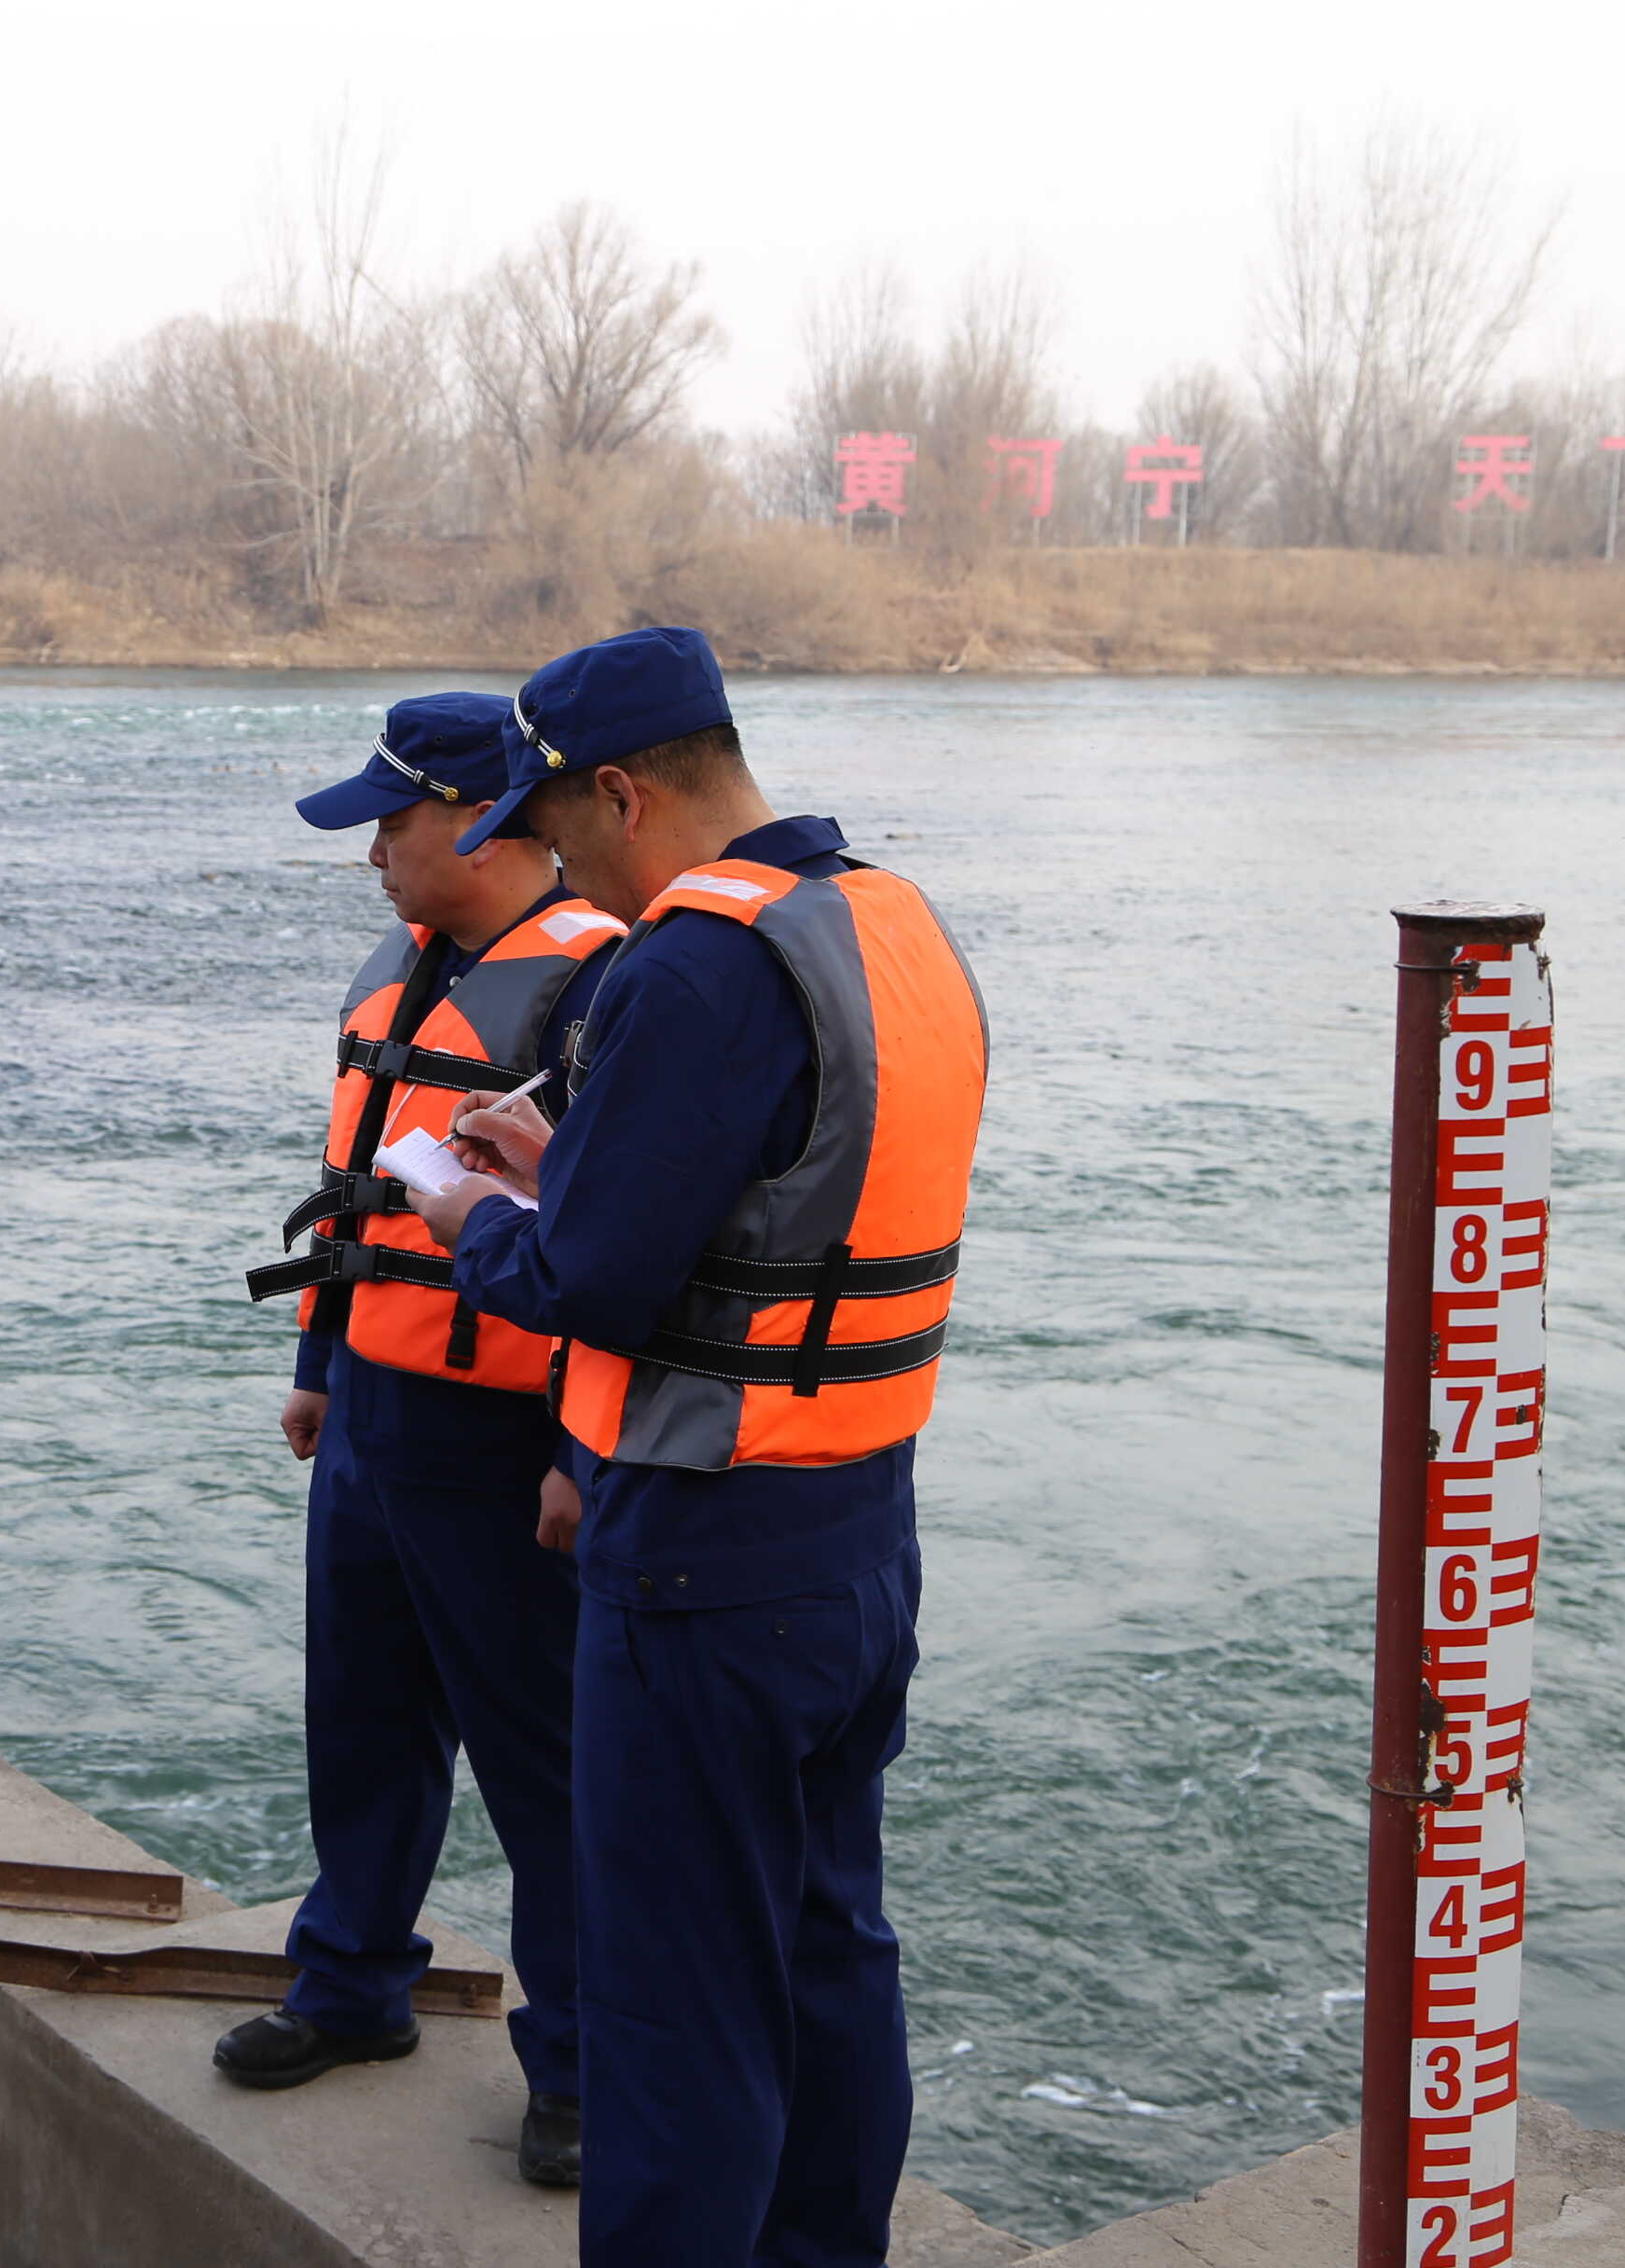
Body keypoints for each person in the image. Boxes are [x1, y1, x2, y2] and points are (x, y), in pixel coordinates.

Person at [406, 629, 988, 2267]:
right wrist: (575, 1159)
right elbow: (797, 1199)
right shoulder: (887, 919)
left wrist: (473, 1215)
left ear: (623, 793)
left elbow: (588, 1284)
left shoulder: (689, 965)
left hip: (700, 1557)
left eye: (555, 827)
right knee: (828, 1952)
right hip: (859, 1529)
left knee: (674, 2002)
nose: (560, 869)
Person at [229, 691, 626, 2187]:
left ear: (475, 820)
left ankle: (581, 2067)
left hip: (507, 1430)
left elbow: (623, 1251)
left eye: (388, 824)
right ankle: (351, 1984)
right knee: (364, 1720)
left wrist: (579, 1455)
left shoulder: (597, 984)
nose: (372, 855)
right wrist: (319, 1363)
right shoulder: (398, 968)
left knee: (545, 1762)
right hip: (374, 1412)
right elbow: (355, 1182)